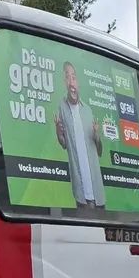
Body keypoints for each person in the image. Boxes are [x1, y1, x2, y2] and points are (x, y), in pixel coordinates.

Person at [54, 61, 107, 209]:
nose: (71, 81)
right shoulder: (62, 108)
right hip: (81, 194)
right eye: (67, 77)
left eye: (74, 77)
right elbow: (64, 144)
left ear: (78, 83)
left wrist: (97, 135)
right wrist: (58, 132)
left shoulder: (88, 111)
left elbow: (100, 150)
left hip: (98, 193)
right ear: (64, 82)